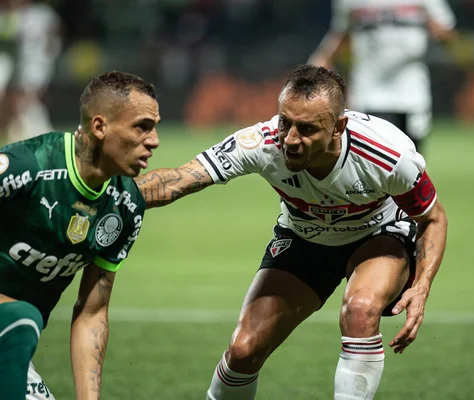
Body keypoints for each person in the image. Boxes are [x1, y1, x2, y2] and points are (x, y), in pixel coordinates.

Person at [136, 64, 447, 399]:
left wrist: (422, 285)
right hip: (304, 236)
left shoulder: (386, 155)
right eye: (286, 122)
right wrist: (111, 197)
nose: (291, 139)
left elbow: (433, 219)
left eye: (308, 128)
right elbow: (179, 180)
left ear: (338, 127)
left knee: (360, 309)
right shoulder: (262, 143)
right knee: (243, 351)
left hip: (379, 233)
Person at [0, 71, 160, 399]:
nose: (154, 140)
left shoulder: (125, 206)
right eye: (142, 126)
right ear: (100, 127)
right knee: (22, 317)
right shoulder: (28, 166)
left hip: (10, 340)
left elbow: (92, 313)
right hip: (13, 327)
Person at [308, 0, 460, 154]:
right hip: (370, 92)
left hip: (411, 91)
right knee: (372, 161)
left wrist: (437, 29)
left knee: (412, 159)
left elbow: (450, 35)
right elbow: (341, 32)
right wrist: (322, 60)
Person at [0, 0, 62, 143]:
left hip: (35, 66)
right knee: (20, 103)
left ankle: (43, 137)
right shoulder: (5, 15)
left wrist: (50, 54)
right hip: (14, 66)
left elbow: (55, 34)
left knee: (28, 101)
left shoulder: (42, 14)